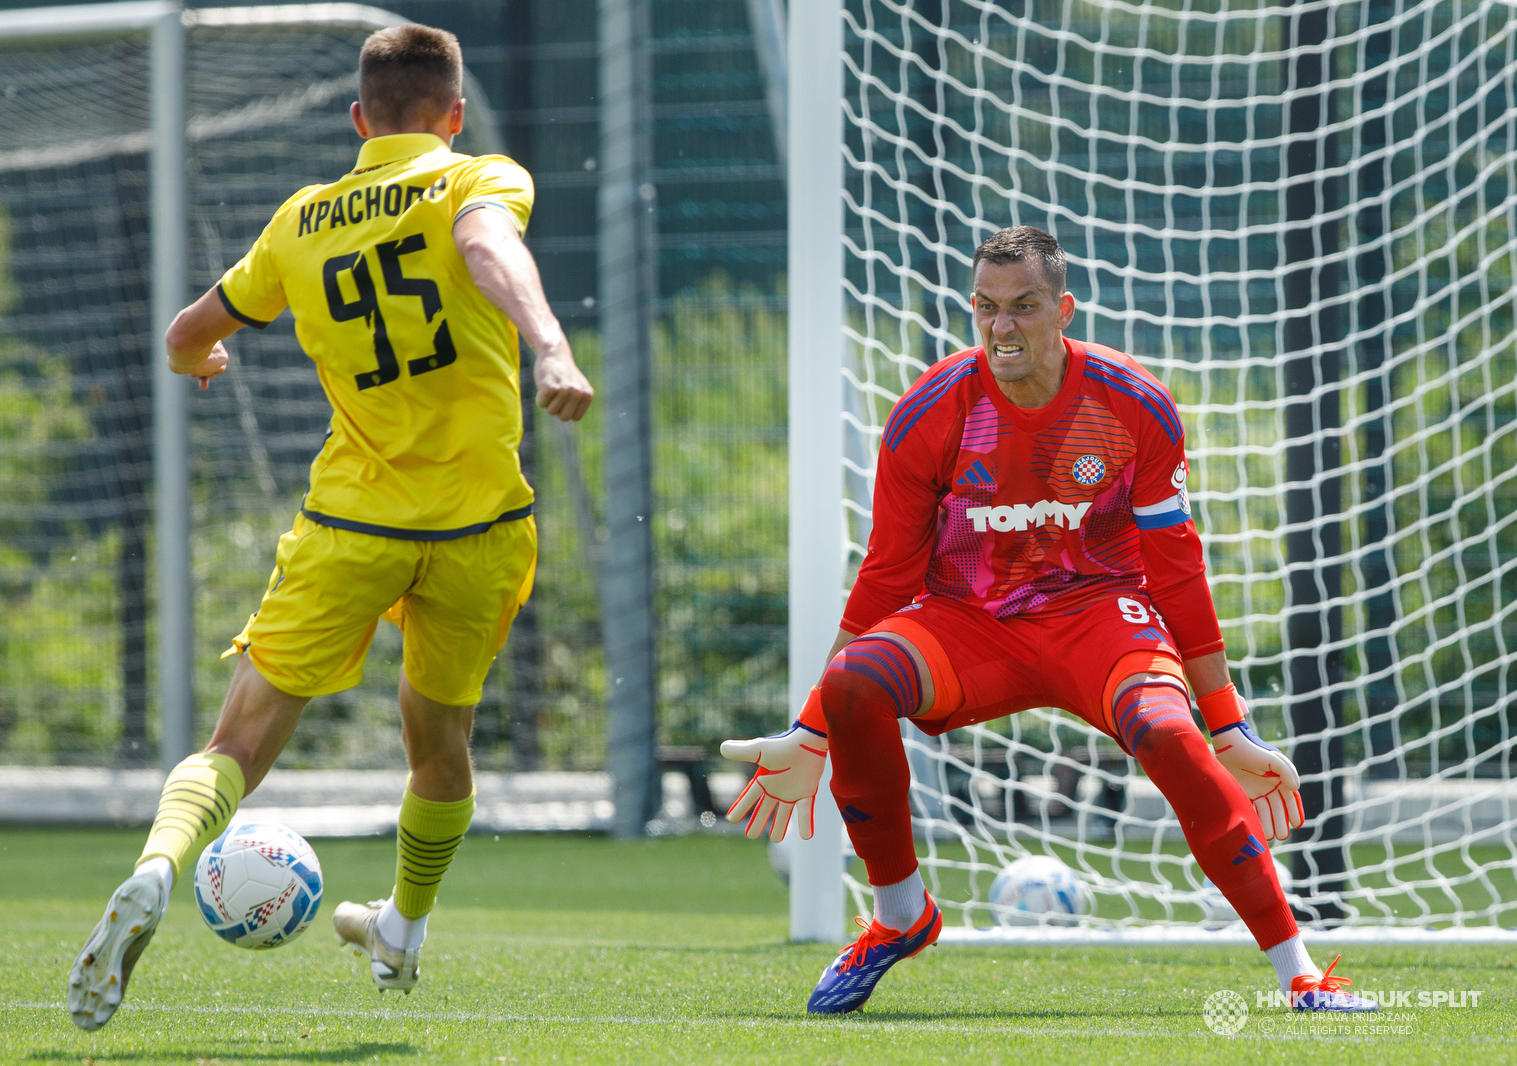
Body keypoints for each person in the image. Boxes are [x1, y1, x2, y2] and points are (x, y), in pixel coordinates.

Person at [67, 24, 592, 1031]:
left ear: (358, 120)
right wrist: (551, 349)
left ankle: (156, 867)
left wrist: (203, 366)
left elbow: (185, 335)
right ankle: (404, 925)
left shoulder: (302, 221)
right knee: (438, 742)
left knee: (238, 737)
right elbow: (486, 241)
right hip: (481, 525)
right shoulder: (473, 177)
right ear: (453, 114)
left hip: (350, 520)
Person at [721, 226, 1377, 1016]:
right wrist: (811, 729)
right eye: (986, 308)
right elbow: (888, 574)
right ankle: (900, 918)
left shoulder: (1133, 404)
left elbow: (1176, 567)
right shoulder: (928, 414)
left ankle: (1302, 976)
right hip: (970, 622)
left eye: (1024, 307)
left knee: (1173, 737)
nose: (1003, 327)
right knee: (855, 682)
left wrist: (1228, 725)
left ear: (1062, 309)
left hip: (1098, 616)